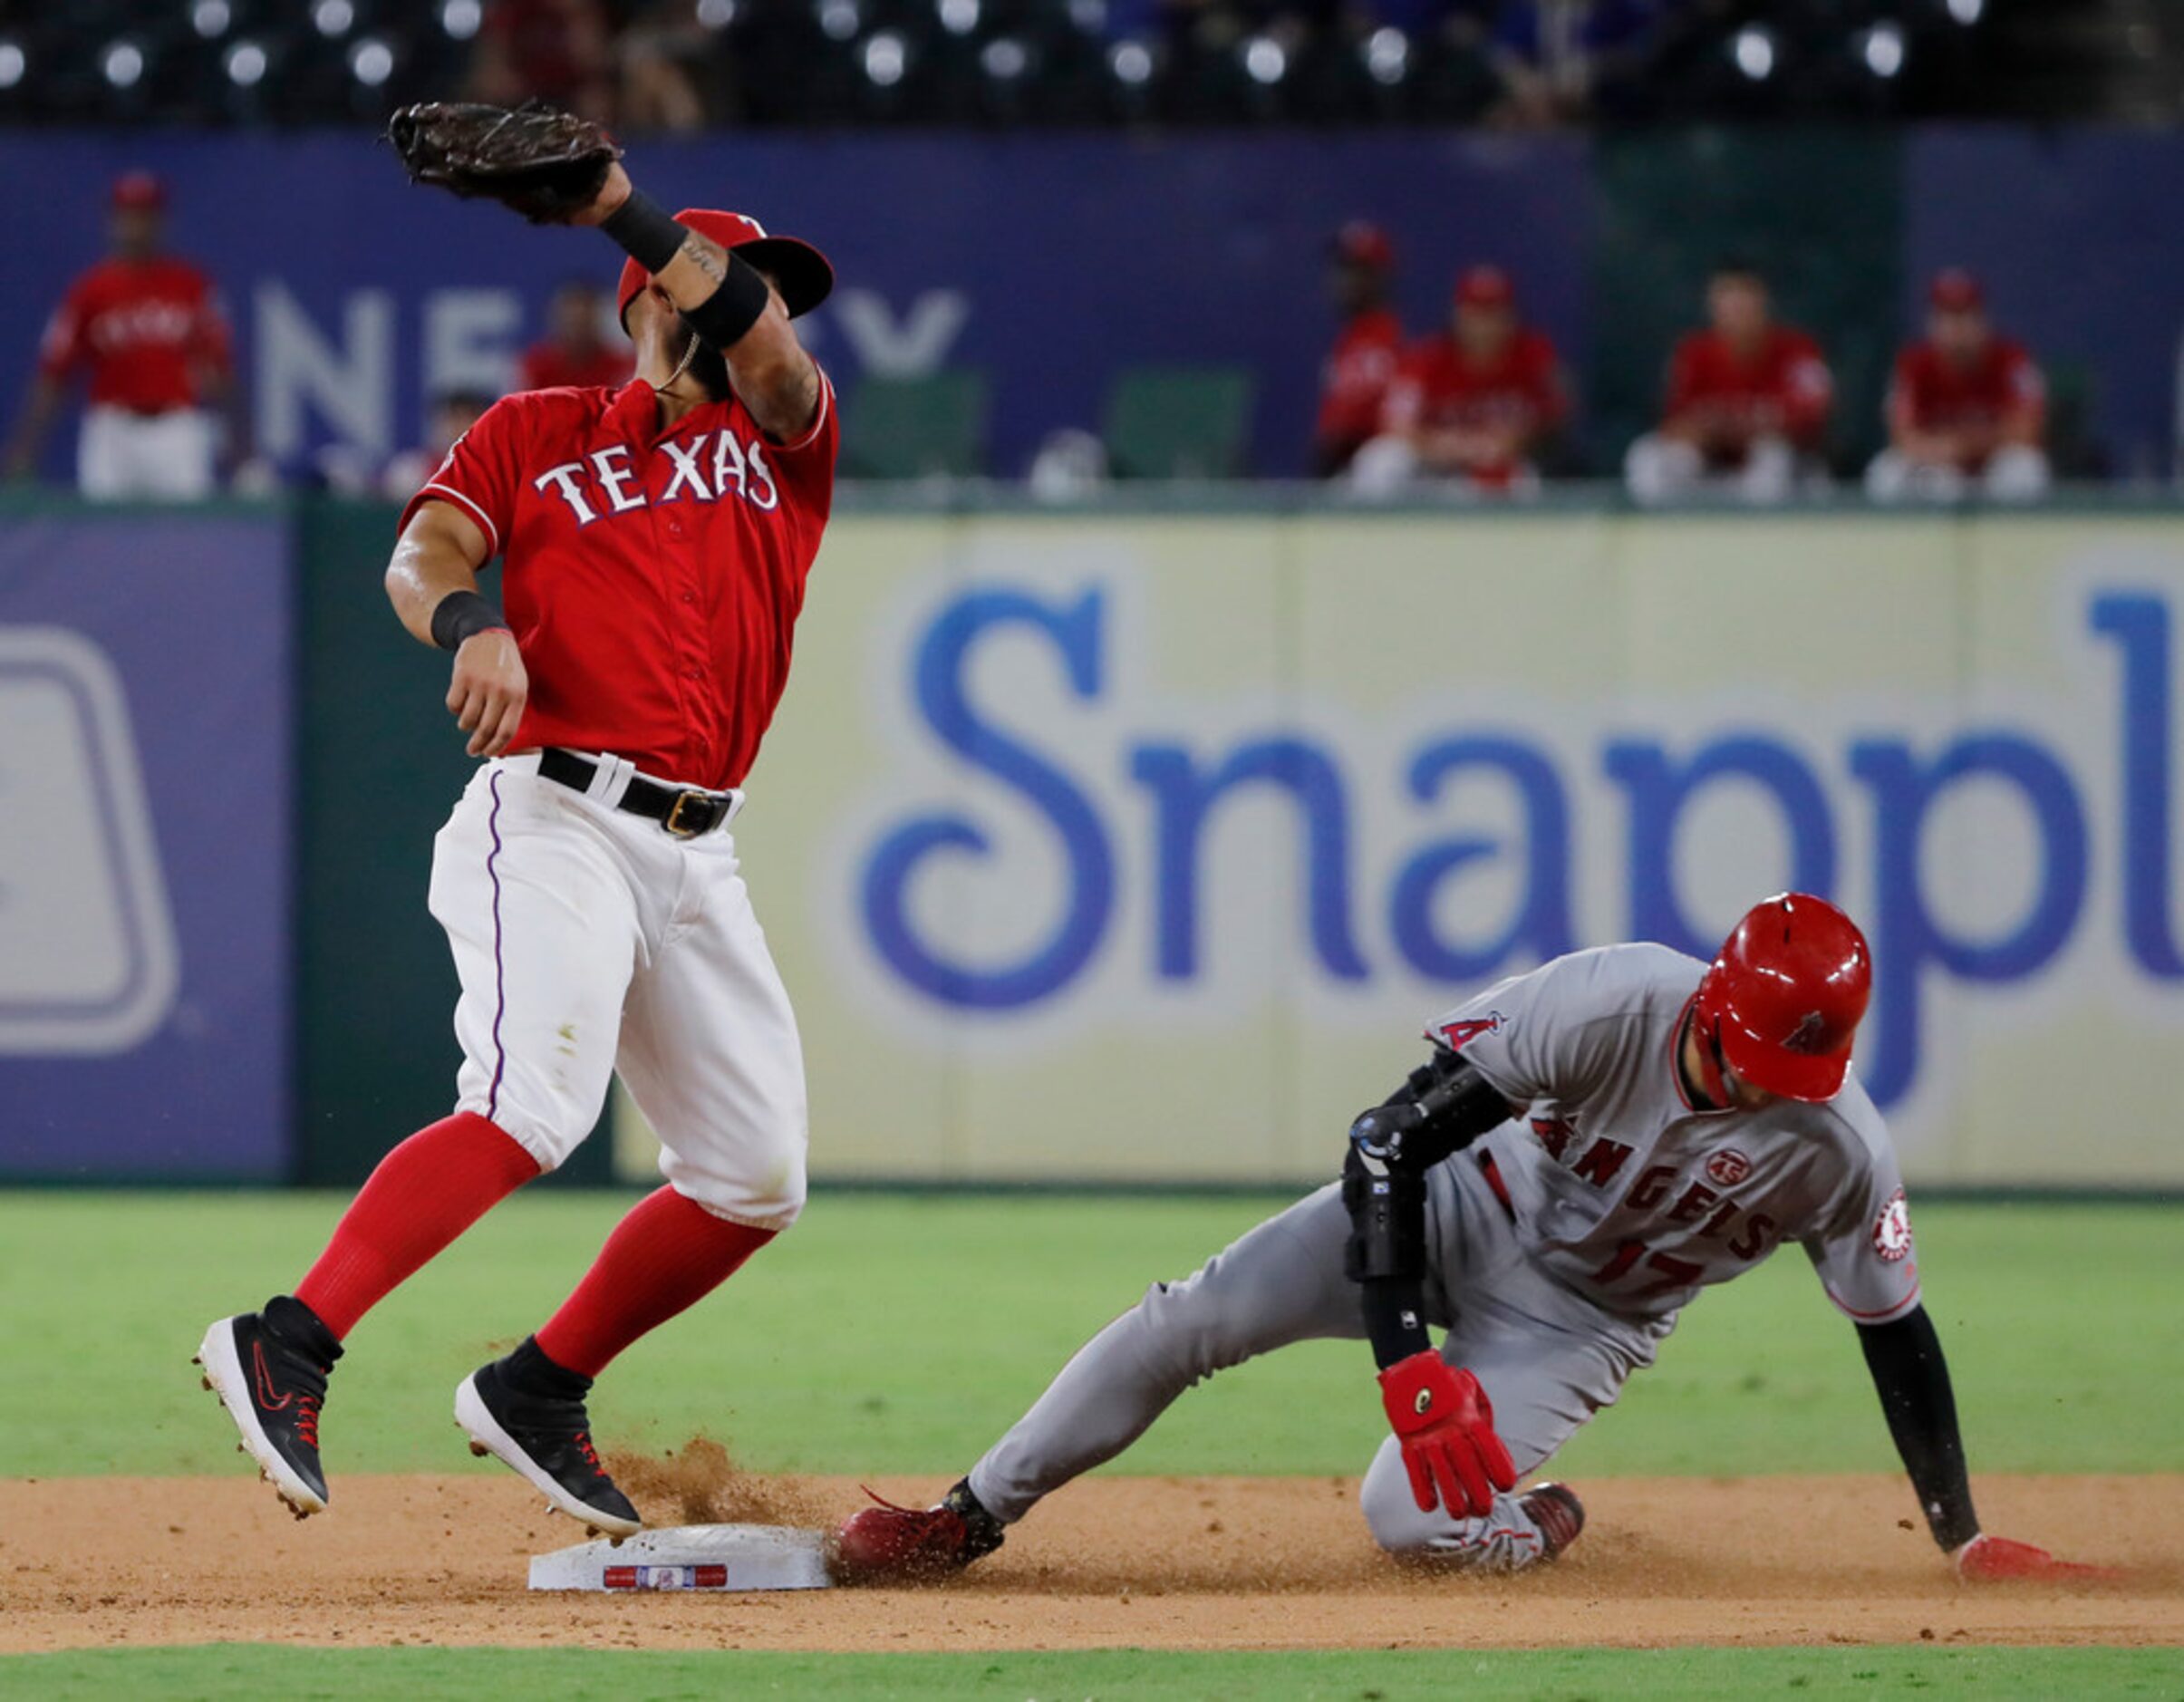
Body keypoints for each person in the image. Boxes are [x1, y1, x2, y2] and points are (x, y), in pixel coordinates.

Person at [196, 116, 840, 1540]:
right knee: (530, 1105)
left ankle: (540, 1385)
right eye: (750, 280)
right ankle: (287, 1338)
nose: (773, 310)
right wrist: (475, 624)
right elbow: (418, 554)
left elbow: (774, 357)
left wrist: (616, 203)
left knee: (753, 1174)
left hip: (697, 848)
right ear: (656, 303)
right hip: (553, 818)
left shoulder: (781, 441)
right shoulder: (537, 433)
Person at [835, 894, 2096, 1584]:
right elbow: (1385, 1141)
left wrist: (1959, 1530)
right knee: (1190, 1318)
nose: (1763, 1084)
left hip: (1584, 1320)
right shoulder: (1609, 998)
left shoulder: (1837, 1145)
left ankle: (1541, 1516)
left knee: (1415, 1524)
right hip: (1466, 1204)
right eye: (1747, 1053)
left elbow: (1896, 1329)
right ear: (1709, 1000)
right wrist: (1403, 1361)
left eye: (1793, 1068)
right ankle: (965, 1516)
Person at [4, 172, 240, 500]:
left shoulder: (193, 286)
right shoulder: (89, 291)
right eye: (128, 215)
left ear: (160, 221)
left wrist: (241, 446)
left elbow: (220, 372)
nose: (136, 225)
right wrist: (24, 449)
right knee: (104, 537)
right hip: (110, 428)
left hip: (178, 427)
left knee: (187, 535)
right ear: (113, 220)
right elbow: (54, 374)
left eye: (145, 215)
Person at [1348, 265, 1568, 496]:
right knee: (1380, 459)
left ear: (1511, 316)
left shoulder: (1533, 357)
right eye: (1476, 312)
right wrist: (1455, 446)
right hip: (1432, 469)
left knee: (1524, 477)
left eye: (1492, 312)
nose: (1483, 324)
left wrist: (1515, 442)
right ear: (1458, 315)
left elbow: (1554, 422)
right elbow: (1396, 425)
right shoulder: (1427, 360)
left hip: (1493, 474)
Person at [1625, 262, 1831, 505]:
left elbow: (1810, 424)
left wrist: (1728, 428)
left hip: (1782, 476)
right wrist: (1729, 431)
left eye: (1745, 299)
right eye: (1728, 300)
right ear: (1713, 306)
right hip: (1711, 466)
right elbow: (1676, 427)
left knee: (1772, 457)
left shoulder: (1798, 351)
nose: (1738, 310)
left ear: (1764, 302)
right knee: (1648, 456)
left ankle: (1770, 540)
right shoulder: (1693, 353)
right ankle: (1663, 537)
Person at [1866, 270, 2049, 503]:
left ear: (1983, 319)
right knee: (1886, 472)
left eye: (1965, 315)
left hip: (1992, 469)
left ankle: (2016, 539)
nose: (1957, 327)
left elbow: (2027, 431)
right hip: (1940, 470)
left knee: (2025, 468)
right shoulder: (1913, 365)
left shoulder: (2012, 360)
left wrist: (1964, 445)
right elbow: (1903, 437)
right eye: (1947, 316)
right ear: (1932, 322)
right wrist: (1943, 450)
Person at [1313, 222, 1404, 479]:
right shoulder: (1353, 338)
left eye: (1358, 271)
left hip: (1372, 477)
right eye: (1342, 269)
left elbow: (1349, 434)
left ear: (1381, 276)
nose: (1345, 281)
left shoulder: (1384, 340)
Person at [379, 389, 494, 502]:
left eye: (471, 417)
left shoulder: (500, 476)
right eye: (454, 417)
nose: (461, 426)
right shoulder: (411, 471)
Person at [518, 277, 631, 393]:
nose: (577, 324)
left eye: (584, 319)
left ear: (597, 317)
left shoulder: (620, 369)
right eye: (571, 320)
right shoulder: (534, 367)